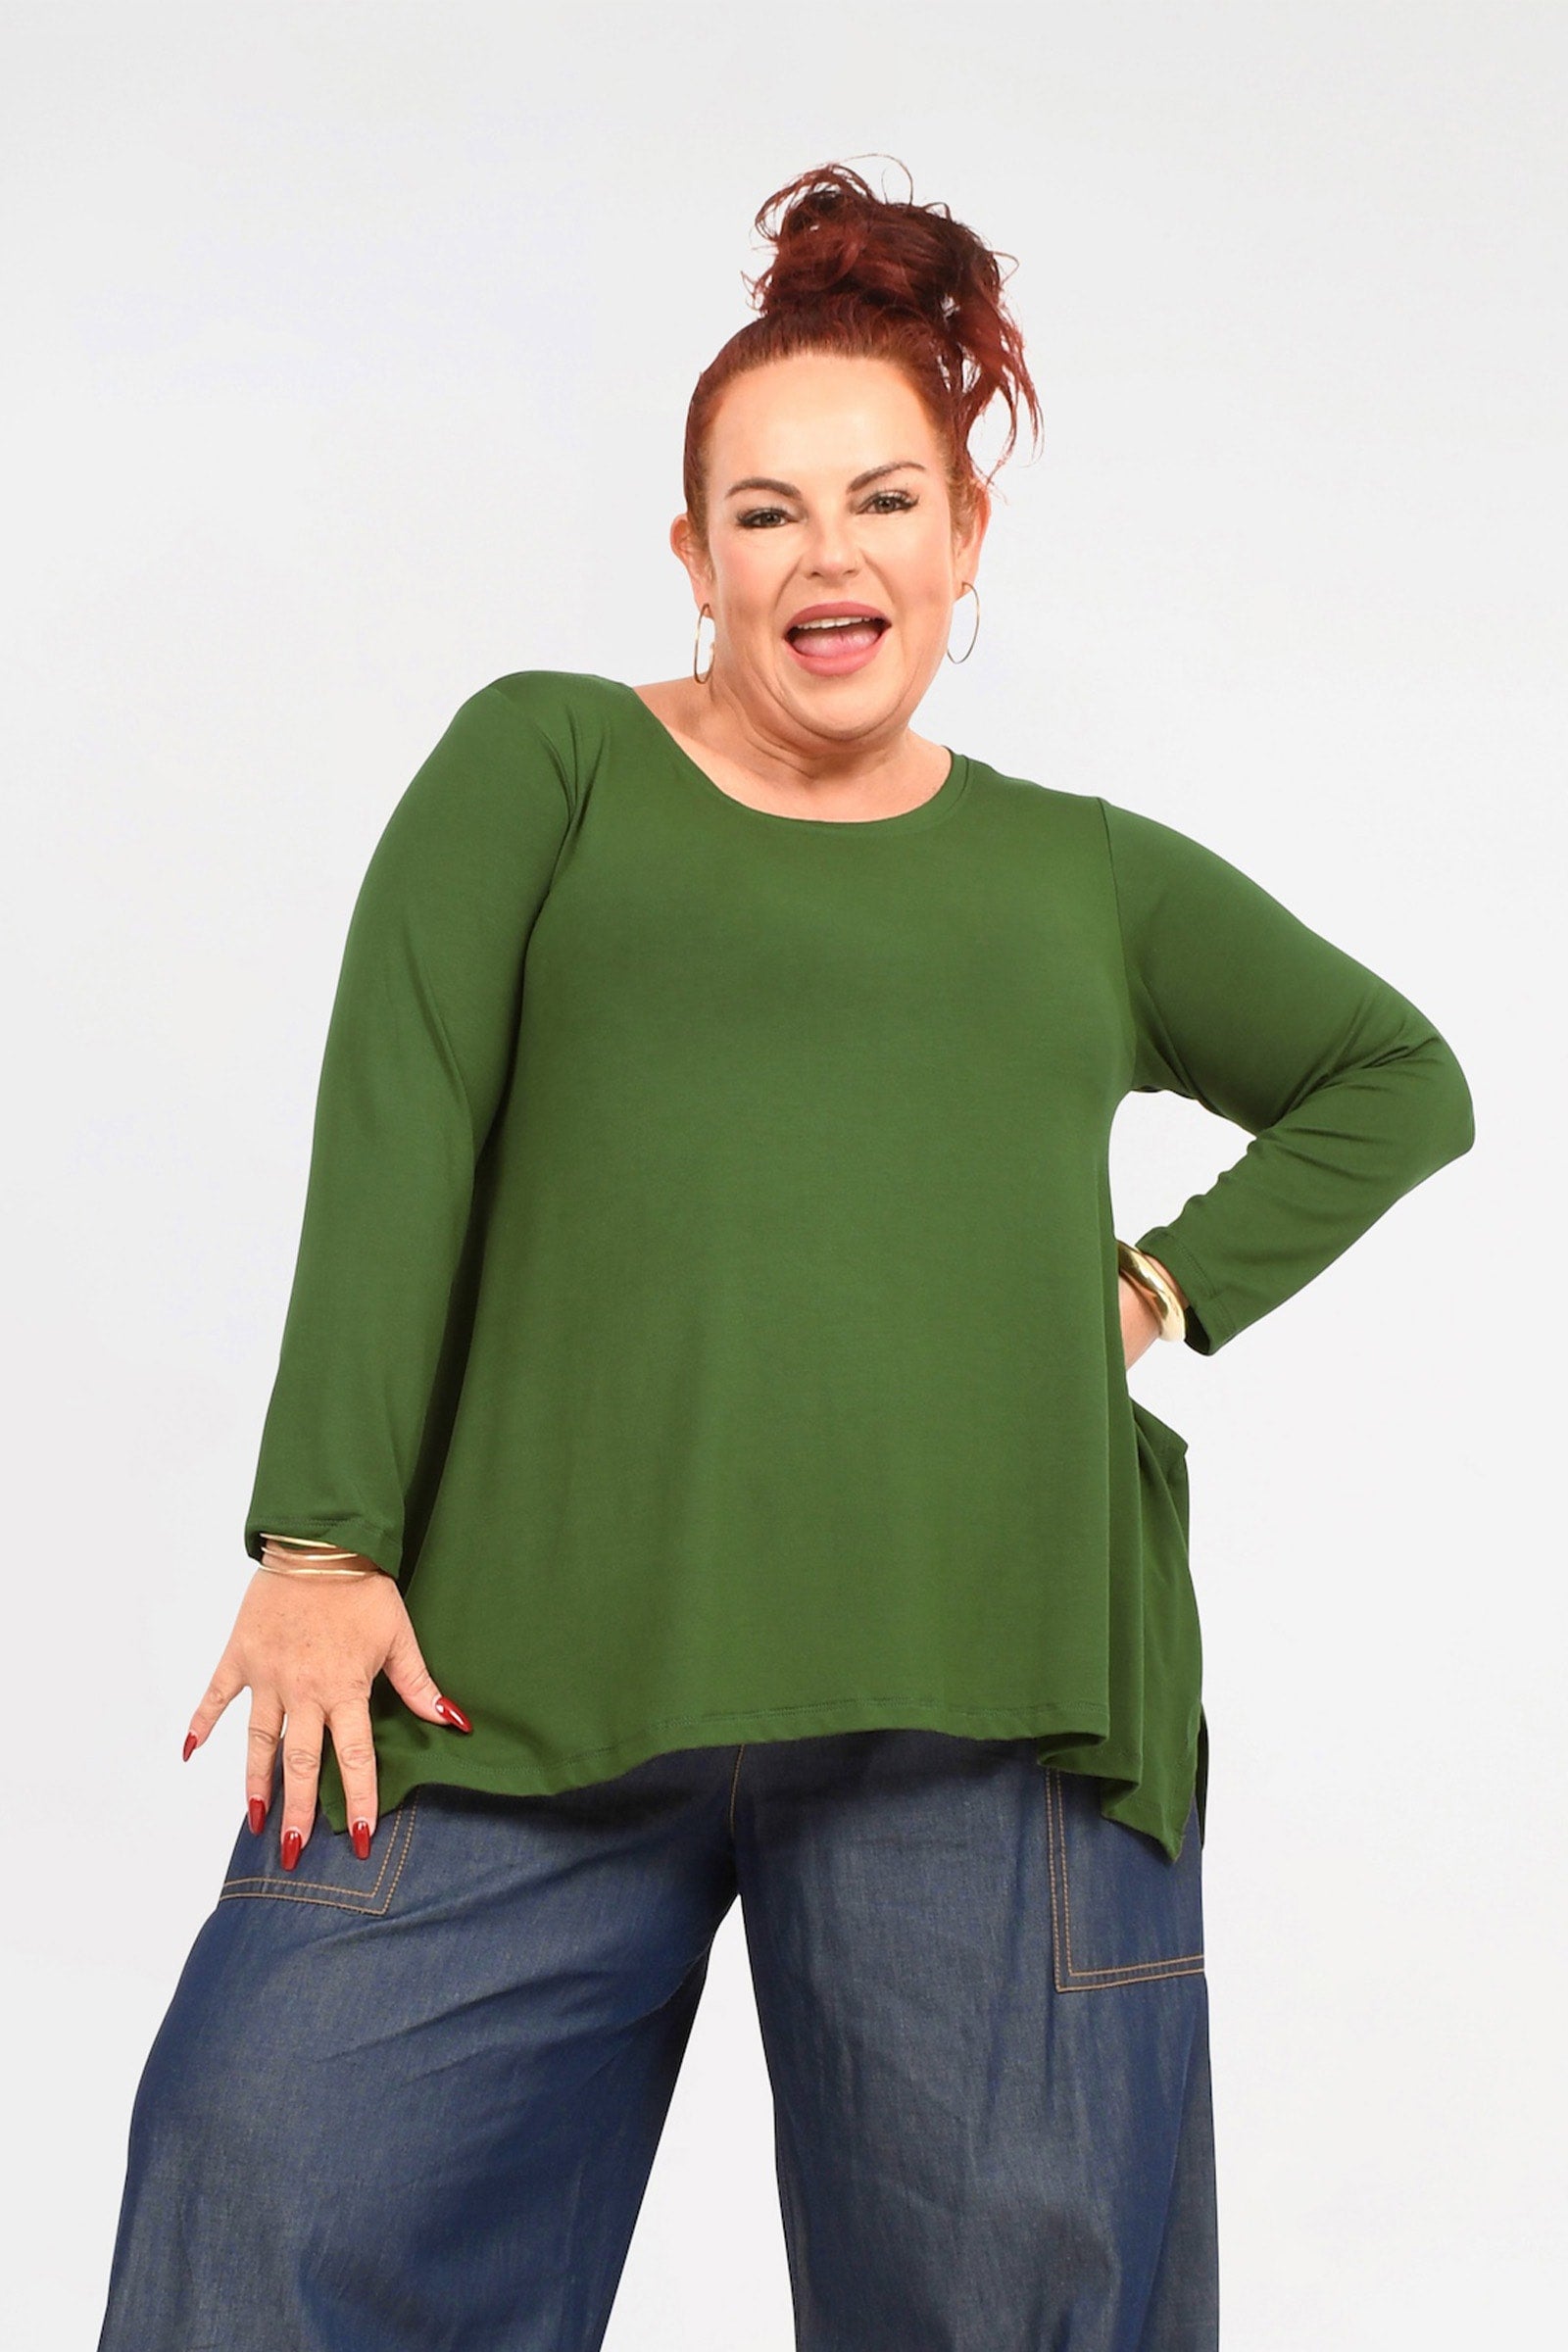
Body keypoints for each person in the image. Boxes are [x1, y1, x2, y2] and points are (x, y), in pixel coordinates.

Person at [95, 162, 1474, 2352]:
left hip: (992, 1686)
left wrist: (1149, 1288)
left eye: (883, 502)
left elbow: (1394, 1076)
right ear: (695, 557)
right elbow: (399, 1125)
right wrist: (321, 1538)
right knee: (260, 2174)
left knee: (1011, 2296)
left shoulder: (1077, 877)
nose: (830, 555)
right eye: (768, 512)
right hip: (509, 1675)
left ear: (962, 540)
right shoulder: (547, 764)